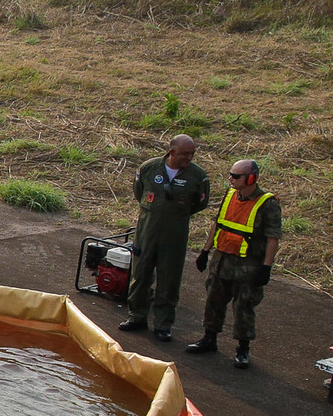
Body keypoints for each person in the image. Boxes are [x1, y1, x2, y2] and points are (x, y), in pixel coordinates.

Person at [187, 160, 281, 370]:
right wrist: (205, 251)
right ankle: (209, 338)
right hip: (222, 260)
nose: (230, 178)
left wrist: (266, 267)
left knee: (244, 306)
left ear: (251, 178)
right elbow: (217, 223)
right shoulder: (229, 195)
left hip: (248, 265)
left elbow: (273, 238)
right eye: (230, 174)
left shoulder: (268, 204)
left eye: (235, 176)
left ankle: (242, 348)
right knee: (213, 300)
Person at [120, 135, 210, 343]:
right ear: (171, 152)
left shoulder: (197, 176)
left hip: (175, 235)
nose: (189, 157)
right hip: (146, 231)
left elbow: (200, 204)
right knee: (140, 275)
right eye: (185, 154)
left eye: (192, 154)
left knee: (169, 280)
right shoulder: (149, 168)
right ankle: (136, 316)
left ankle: (163, 324)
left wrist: (175, 213)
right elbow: (139, 192)